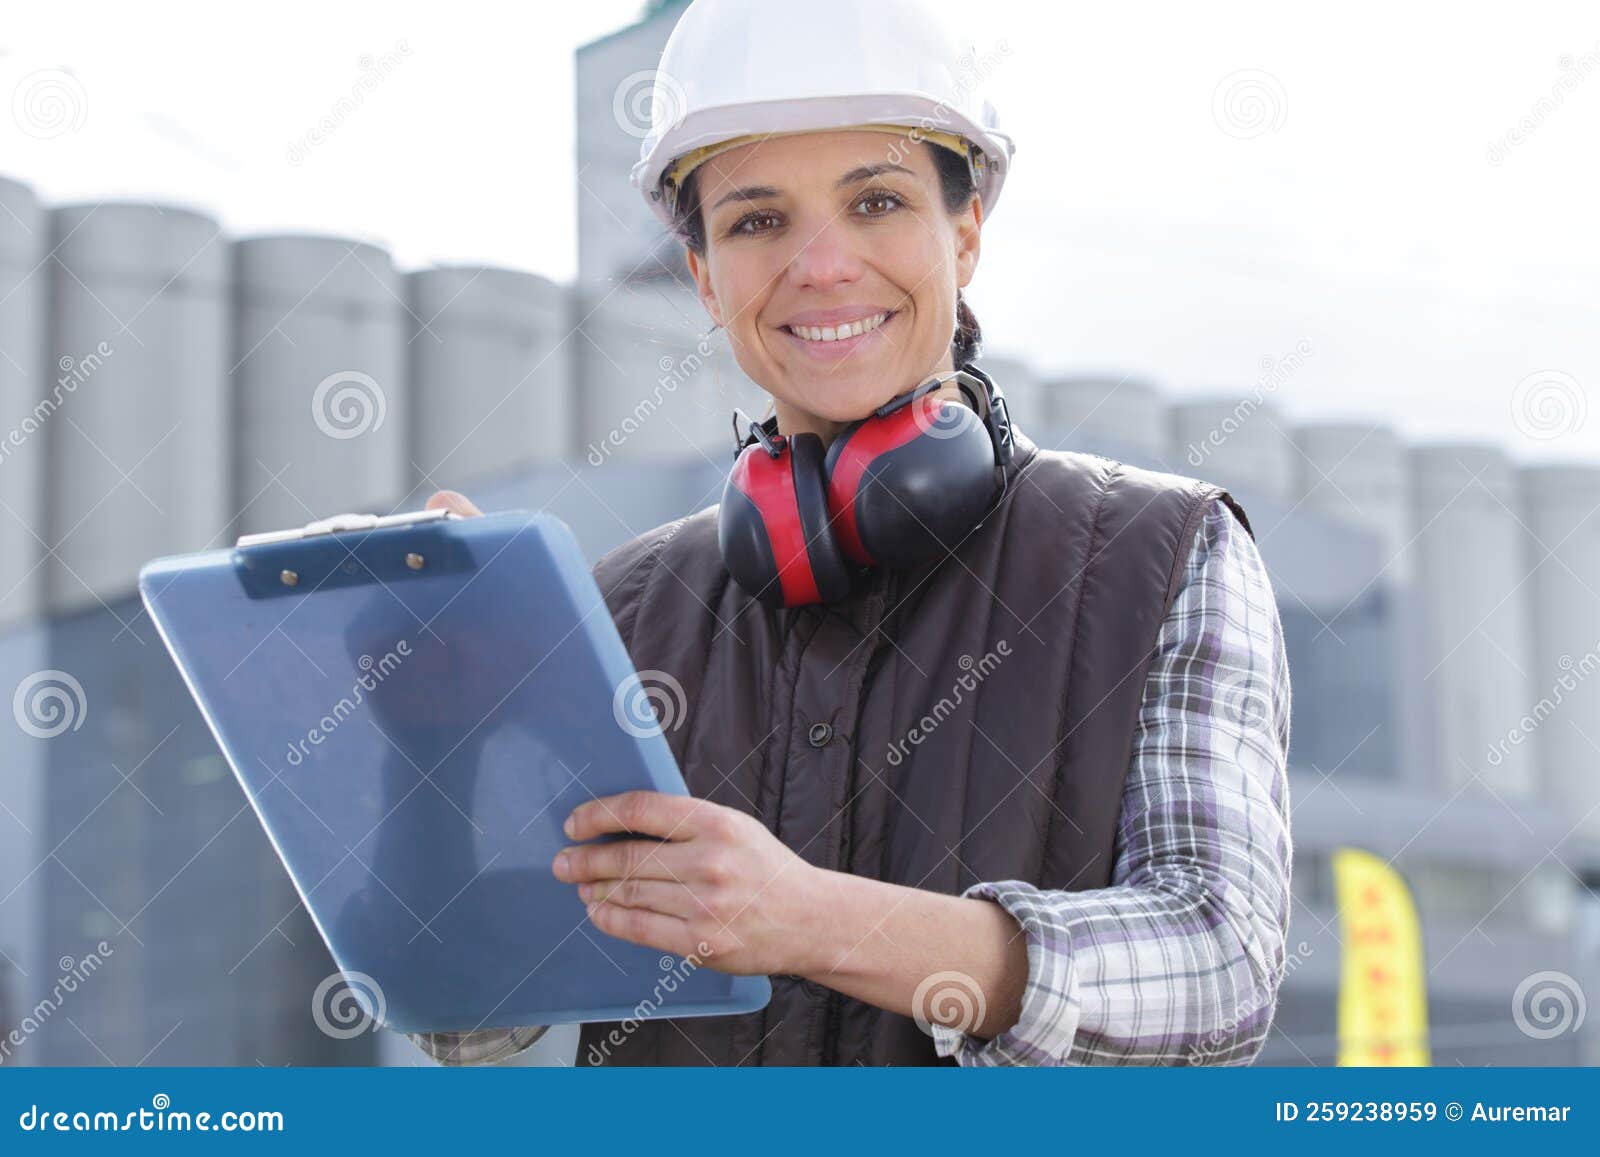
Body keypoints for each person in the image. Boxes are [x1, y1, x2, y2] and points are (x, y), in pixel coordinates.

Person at [412, 0, 1292, 1066]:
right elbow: (476, 1020)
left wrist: (812, 919)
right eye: (756, 220)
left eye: (875, 201)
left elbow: (1221, 974)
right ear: (703, 277)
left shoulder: (1162, 555)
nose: (821, 265)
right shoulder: (619, 607)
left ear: (964, 235)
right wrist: (444, 747)